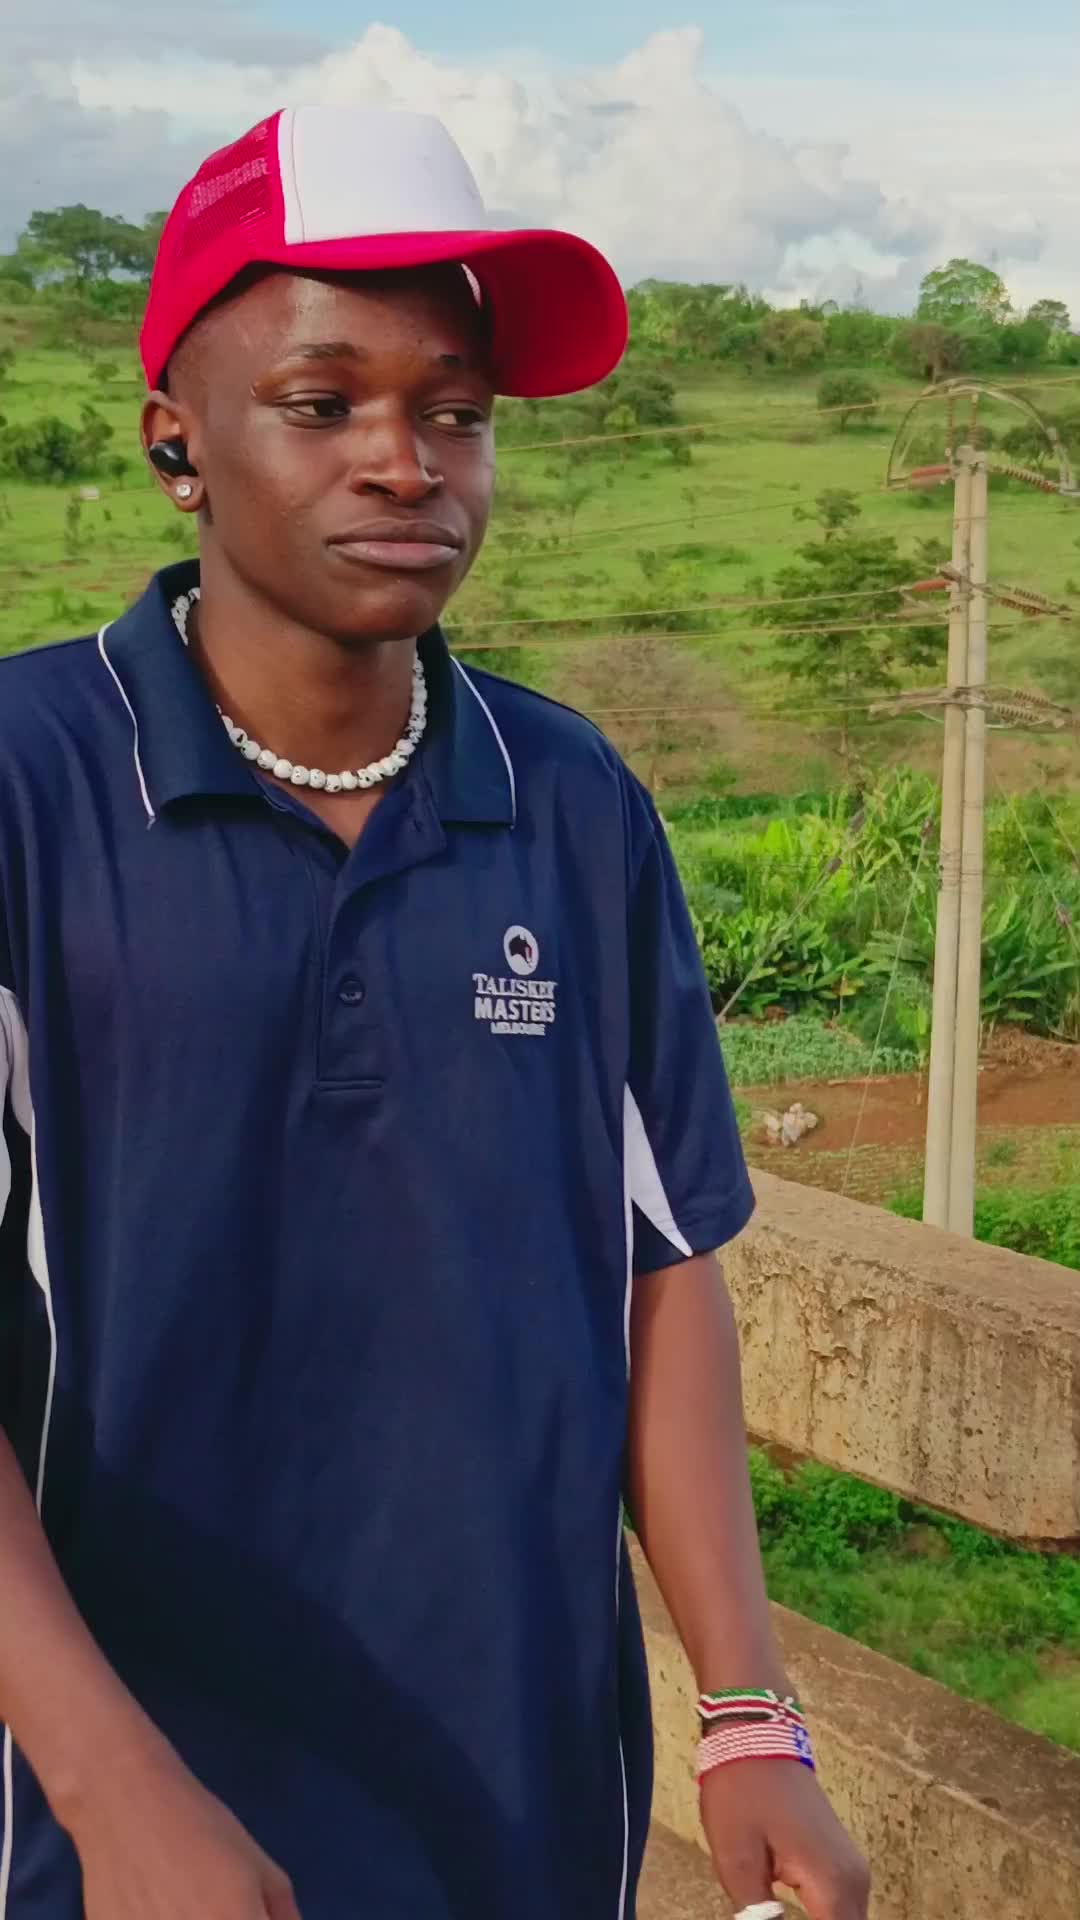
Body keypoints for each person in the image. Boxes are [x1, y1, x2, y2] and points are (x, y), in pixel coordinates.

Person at [0, 105, 870, 1920]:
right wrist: (108, 1789)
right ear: (176, 439)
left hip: (520, 1811)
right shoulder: (29, 786)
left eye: (456, 412)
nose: (406, 464)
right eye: (322, 404)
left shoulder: (571, 802)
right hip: (103, 1825)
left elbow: (660, 1269)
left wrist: (747, 1713)